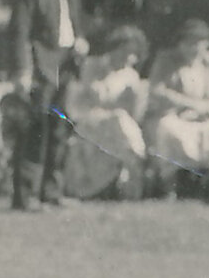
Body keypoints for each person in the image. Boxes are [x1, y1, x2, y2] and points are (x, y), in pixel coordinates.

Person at [7, 0, 95, 210]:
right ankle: (25, 196)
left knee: (60, 131)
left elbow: (74, 28)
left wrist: (81, 42)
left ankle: (52, 191)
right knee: (34, 129)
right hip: (39, 69)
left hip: (66, 69)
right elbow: (19, 33)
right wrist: (22, 71)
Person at [145, 18, 209, 200]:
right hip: (177, 114)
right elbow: (157, 90)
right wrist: (187, 104)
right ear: (179, 43)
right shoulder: (166, 60)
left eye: (199, 42)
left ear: (207, 44)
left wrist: (205, 107)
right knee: (167, 128)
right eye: (188, 42)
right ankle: (169, 184)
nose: (193, 47)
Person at [62, 24, 149, 200]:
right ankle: (138, 155)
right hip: (90, 118)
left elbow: (135, 114)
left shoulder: (131, 75)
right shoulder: (92, 65)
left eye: (133, 54)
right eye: (125, 51)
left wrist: (135, 96)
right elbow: (93, 95)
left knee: (121, 121)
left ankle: (126, 181)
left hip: (116, 127)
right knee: (120, 121)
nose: (129, 57)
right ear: (114, 49)